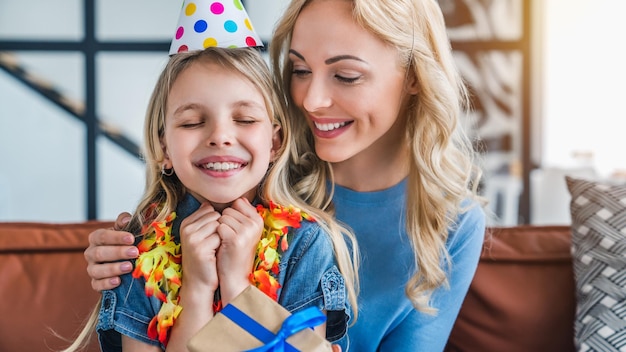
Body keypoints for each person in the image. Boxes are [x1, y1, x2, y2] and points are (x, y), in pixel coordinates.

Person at [84, 0, 487, 350]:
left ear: (415, 74)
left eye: (345, 75)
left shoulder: (453, 223)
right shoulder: (254, 174)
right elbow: (165, 243)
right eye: (299, 70)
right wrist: (119, 252)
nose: (311, 100)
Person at [65, 45, 358, 352]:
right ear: (164, 148)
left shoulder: (305, 244)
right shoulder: (137, 249)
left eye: (244, 119)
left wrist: (237, 286)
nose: (220, 136)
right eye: (192, 122)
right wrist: (197, 291)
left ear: (274, 142)